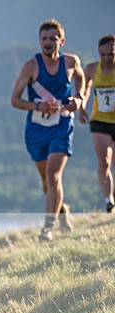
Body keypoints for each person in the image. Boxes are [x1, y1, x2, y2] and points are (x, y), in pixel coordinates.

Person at [10, 19, 85, 242]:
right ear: (39, 41)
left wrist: (79, 99)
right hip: (36, 129)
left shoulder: (71, 62)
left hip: (61, 125)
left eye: (53, 39)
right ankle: (61, 211)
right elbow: (14, 100)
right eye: (44, 39)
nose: (48, 43)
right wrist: (37, 105)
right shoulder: (30, 67)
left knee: (54, 176)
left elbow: (81, 78)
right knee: (46, 181)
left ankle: (47, 228)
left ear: (61, 41)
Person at [79, 34, 115, 213]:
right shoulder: (92, 69)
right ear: (98, 53)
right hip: (100, 120)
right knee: (103, 161)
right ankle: (109, 200)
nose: (107, 59)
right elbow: (84, 88)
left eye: (111, 55)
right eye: (103, 55)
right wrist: (82, 108)